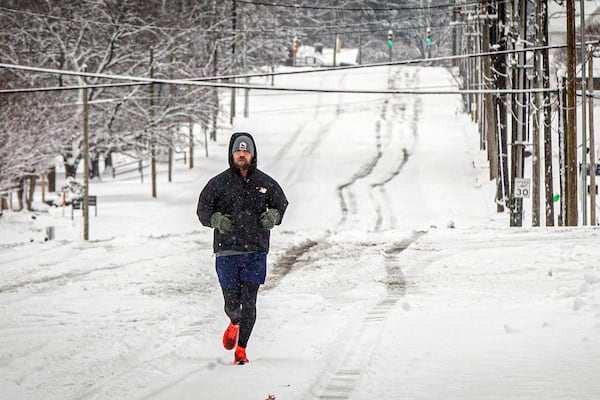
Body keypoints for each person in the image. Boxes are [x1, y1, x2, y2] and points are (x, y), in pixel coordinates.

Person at [196, 132, 288, 365]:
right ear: (232, 153)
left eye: (246, 151)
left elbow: (281, 203)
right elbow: (202, 210)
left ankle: (242, 350)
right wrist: (215, 219)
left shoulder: (265, 183)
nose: (242, 154)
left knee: (249, 301)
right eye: (238, 150)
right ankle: (234, 322)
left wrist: (274, 215)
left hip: (256, 251)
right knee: (232, 304)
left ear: (252, 154)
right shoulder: (218, 183)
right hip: (226, 251)